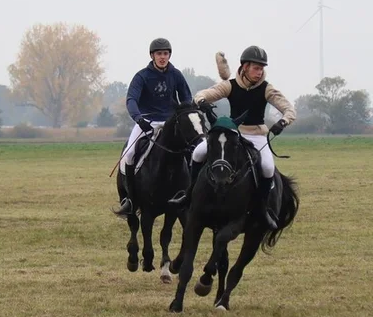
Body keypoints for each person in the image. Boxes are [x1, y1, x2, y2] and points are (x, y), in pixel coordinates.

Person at [169, 45, 296, 228]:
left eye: (262, 69)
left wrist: (283, 122)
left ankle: (262, 209)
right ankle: (188, 196)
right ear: (245, 67)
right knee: (198, 153)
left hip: (258, 135)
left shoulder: (267, 89)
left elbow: (289, 109)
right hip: (233, 133)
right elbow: (202, 95)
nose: (259, 73)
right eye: (256, 68)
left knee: (268, 167)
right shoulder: (230, 85)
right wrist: (202, 102)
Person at [112, 38, 193, 216]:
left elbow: (187, 98)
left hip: (171, 124)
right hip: (146, 122)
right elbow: (131, 99)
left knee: (193, 153)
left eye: (165, 53)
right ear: (152, 55)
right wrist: (138, 118)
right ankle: (130, 200)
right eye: (159, 54)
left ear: (169, 55)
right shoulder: (142, 76)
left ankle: (190, 197)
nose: (162, 57)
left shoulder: (176, 75)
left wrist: (185, 115)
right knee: (129, 155)